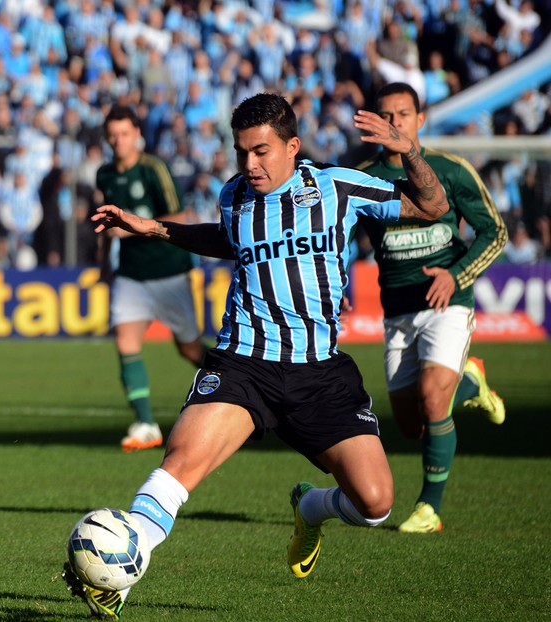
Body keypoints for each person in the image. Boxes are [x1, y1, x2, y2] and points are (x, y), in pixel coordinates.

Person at [63, 92, 450, 619]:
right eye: (242, 152)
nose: (250, 164)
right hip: (244, 363)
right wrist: (152, 226)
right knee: (180, 464)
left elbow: (433, 206)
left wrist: (409, 153)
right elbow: (228, 239)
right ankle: (119, 576)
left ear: (293, 147)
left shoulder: (336, 187)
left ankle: (311, 505)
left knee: (377, 503)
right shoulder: (234, 195)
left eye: (262, 151)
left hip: (320, 373)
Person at [355, 82, 508, 534]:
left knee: (431, 398)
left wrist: (455, 276)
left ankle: (429, 508)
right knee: (410, 425)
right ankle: (471, 381)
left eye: (404, 113)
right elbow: (340, 237)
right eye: (386, 115)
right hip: (397, 310)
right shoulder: (362, 177)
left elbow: (494, 232)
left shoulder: (451, 170)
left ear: (420, 120)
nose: (395, 122)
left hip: (449, 303)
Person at [95, 104, 206, 452]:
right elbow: (106, 224)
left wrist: (130, 229)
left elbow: (180, 214)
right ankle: (145, 423)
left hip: (168, 269)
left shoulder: (154, 168)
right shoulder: (105, 175)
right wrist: (103, 265)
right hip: (131, 273)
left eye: (124, 134)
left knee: (189, 348)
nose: (118, 141)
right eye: (112, 135)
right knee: (126, 342)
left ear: (137, 135)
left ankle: (244, 389)